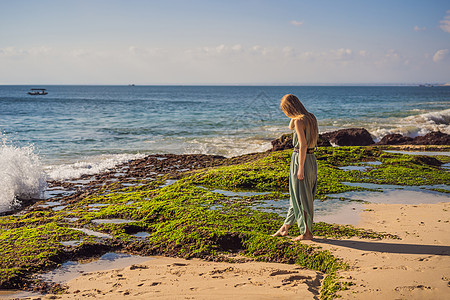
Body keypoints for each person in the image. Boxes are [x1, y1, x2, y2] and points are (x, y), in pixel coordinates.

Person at [272, 94, 318, 241]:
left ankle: (306, 233)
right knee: (298, 195)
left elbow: (303, 144)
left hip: (301, 159)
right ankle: (285, 227)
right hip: (311, 159)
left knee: (302, 197)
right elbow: (292, 127)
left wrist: (300, 168)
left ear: (289, 108)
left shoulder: (299, 121)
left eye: (285, 110)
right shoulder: (311, 117)